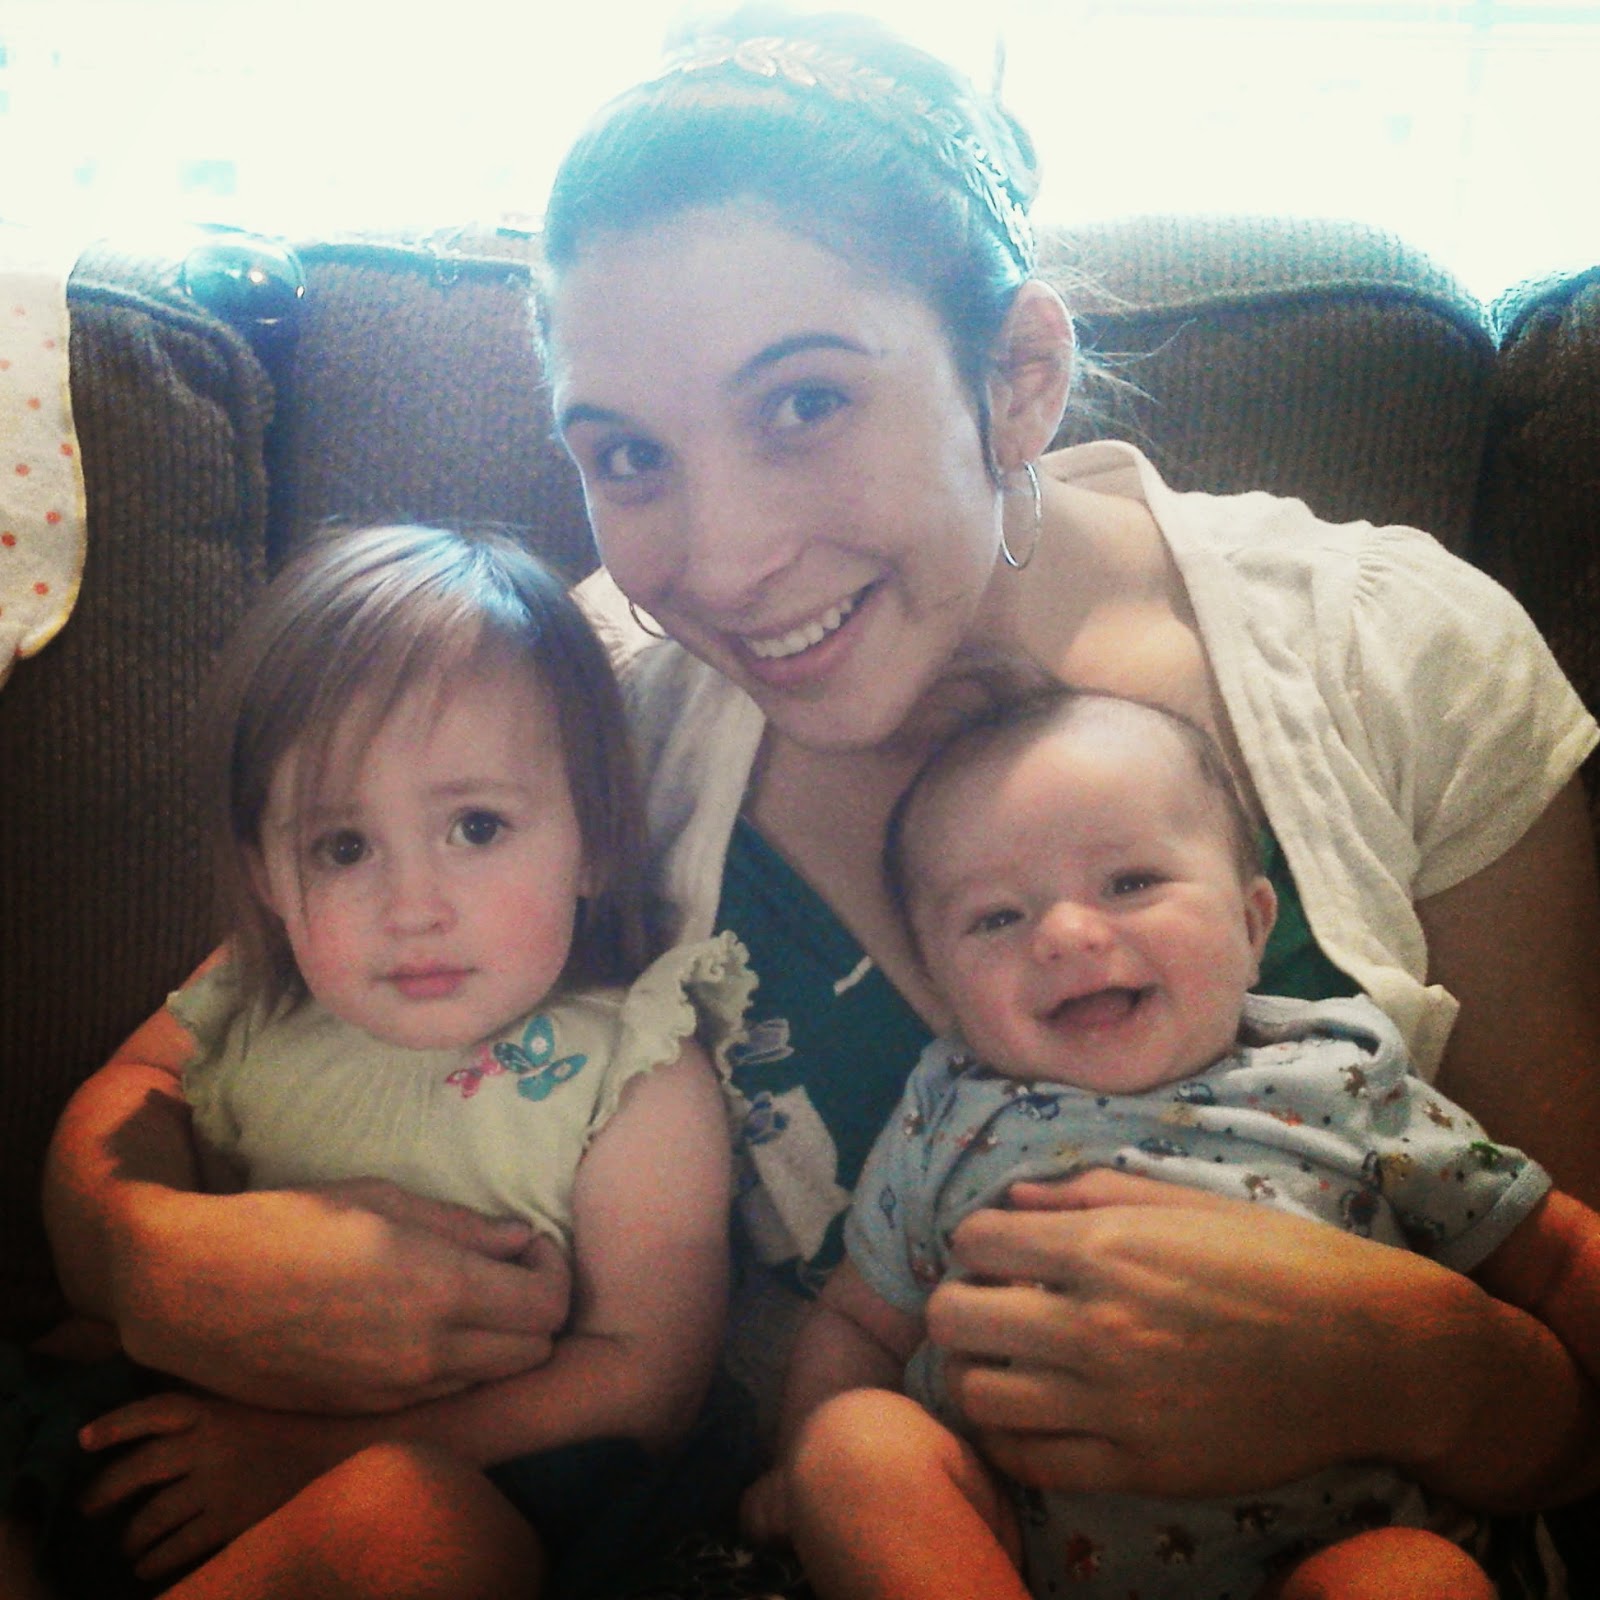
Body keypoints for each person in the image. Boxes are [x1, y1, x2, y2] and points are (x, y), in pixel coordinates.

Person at [36, 3, 1600, 1593]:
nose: (719, 566)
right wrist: (147, 1253)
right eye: (627, 455)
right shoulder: (570, 714)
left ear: (1018, 377)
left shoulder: (1393, 654)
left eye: (803, 404)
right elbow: (180, 1052)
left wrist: (1435, 1375)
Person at [7, 523, 750, 1600]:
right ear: (269, 875)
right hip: (139, 1448)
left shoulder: (634, 1062)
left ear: (592, 837)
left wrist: (301, 1457)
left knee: (412, 1520)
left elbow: (649, 1380)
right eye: (343, 847)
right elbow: (132, 1104)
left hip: (447, 1484)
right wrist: (141, 1261)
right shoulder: (262, 988)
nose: (412, 907)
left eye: (477, 827)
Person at [749, 685, 1600, 1600]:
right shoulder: (944, 1110)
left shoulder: (1343, 1079)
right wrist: (805, 1464)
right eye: (996, 917)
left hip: (1330, 1556)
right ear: (940, 986)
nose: (1066, 934)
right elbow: (857, 1322)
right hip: (1014, 1561)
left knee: (1412, 1581)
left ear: (1253, 923)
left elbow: (1553, 1252)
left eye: (1130, 882)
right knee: (854, 1447)